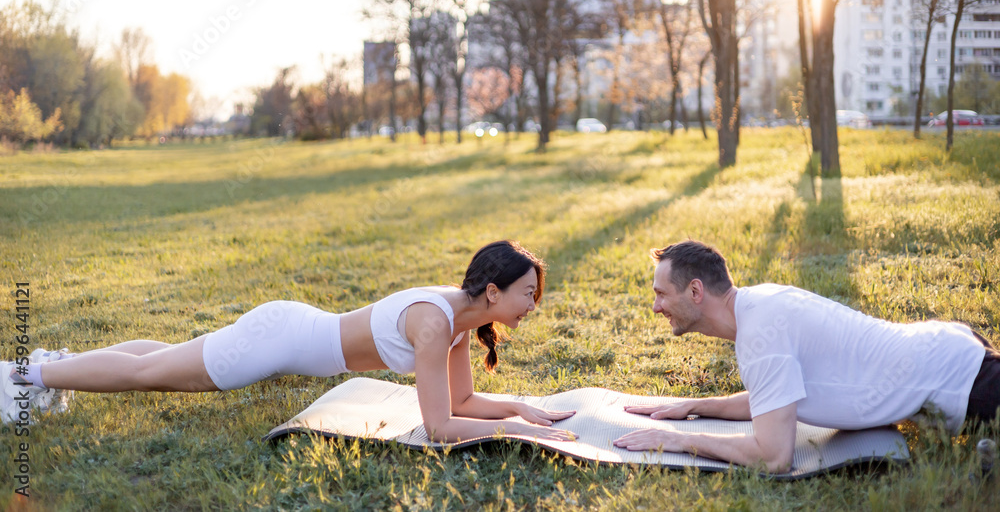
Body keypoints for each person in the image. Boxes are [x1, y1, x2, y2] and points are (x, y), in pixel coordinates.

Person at [2, 240, 576, 443]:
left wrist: (521, 408)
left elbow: (462, 404)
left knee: (162, 358)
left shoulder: (459, 316)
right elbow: (439, 427)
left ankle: (54, 365)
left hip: (284, 328)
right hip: (274, 343)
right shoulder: (434, 324)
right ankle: (24, 378)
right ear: (495, 292)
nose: (534, 305)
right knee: (147, 375)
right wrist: (512, 428)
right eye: (529, 293)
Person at [613, 240, 998, 473]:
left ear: (695, 291)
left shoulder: (760, 335)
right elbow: (778, 397)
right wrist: (701, 406)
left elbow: (773, 457)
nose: (655, 307)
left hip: (963, 381)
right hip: (948, 349)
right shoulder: (761, 304)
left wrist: (676, 440)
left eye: (662, 293)